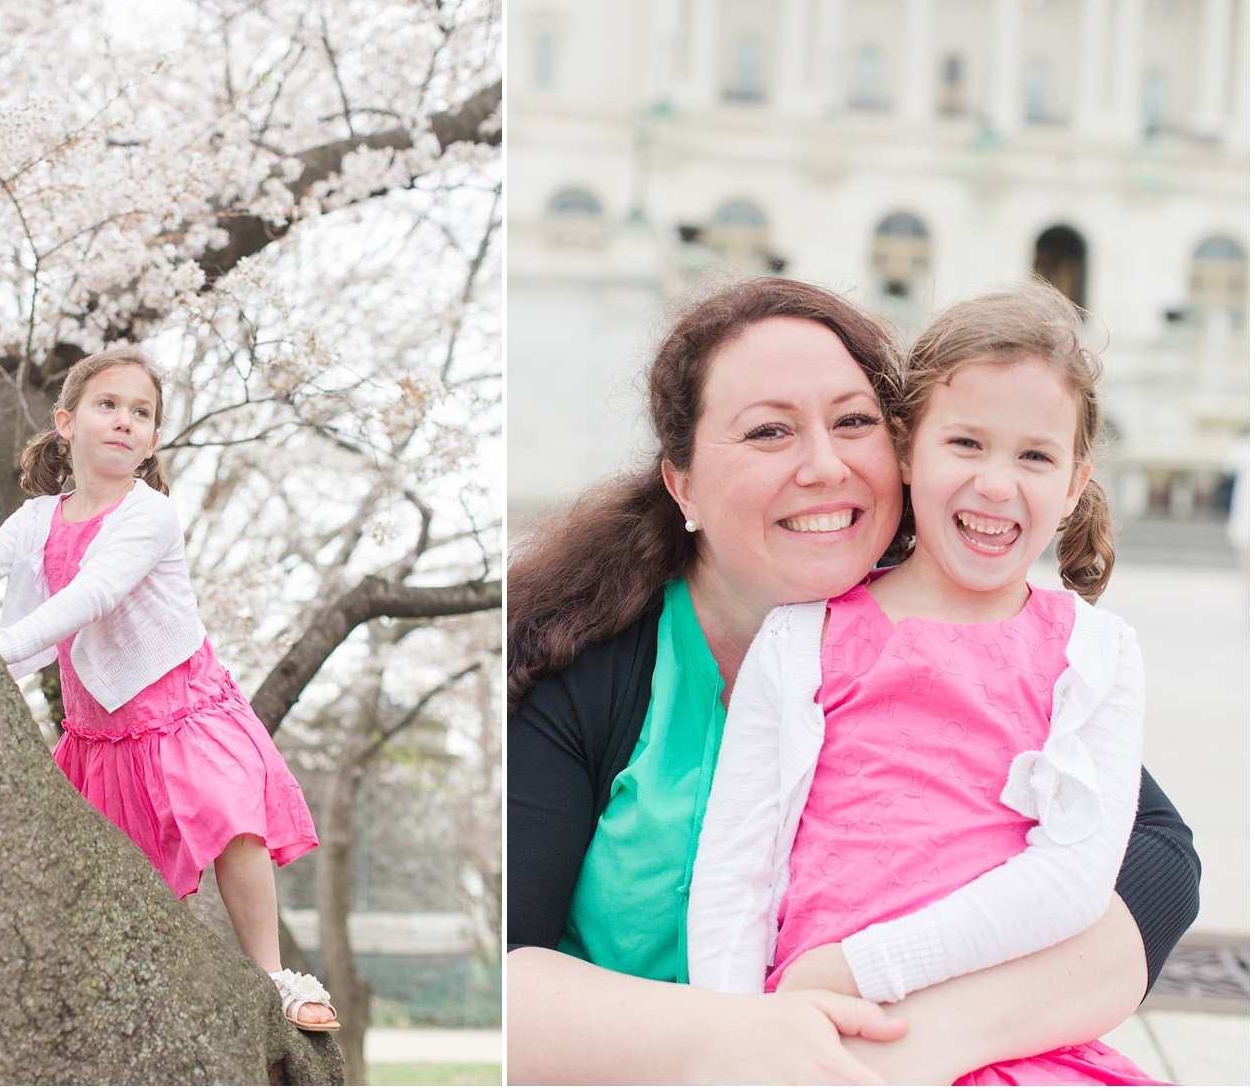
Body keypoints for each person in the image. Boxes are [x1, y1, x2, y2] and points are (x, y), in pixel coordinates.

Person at [507, 278, 1201, 1084]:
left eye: (853, 422)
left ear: (897, 448)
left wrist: (915, 1040)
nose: (825, 465)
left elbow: (1150, 864)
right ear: (684, 484)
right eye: (769, 431)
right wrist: (757, 1042)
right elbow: (513, 975)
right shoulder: (574, 669)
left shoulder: (976, 649)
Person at [687, 281, 1162, 1083]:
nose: (997, 484)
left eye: (1035, 456)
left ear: (1075, 484)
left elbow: (1073, 878)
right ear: (907, 451)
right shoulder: (805, 638)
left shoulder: (1095, 655)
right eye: (966, 444)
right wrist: (743, 1043)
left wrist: (860, 966)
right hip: (811, 1037)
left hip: (1002, 1037)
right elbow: (738, 870)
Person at [0, 349, 338, 1033]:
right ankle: (153, 1002)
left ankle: (273, 974)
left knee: (229, 818)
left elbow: (95, 594)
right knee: (136, 876)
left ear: (152, 439)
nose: (124, 421)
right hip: (102, 729)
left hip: (180, 707)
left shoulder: (149, 515)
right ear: (66, 422)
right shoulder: (38, 519)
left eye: (141, 412)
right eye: (108, 405)